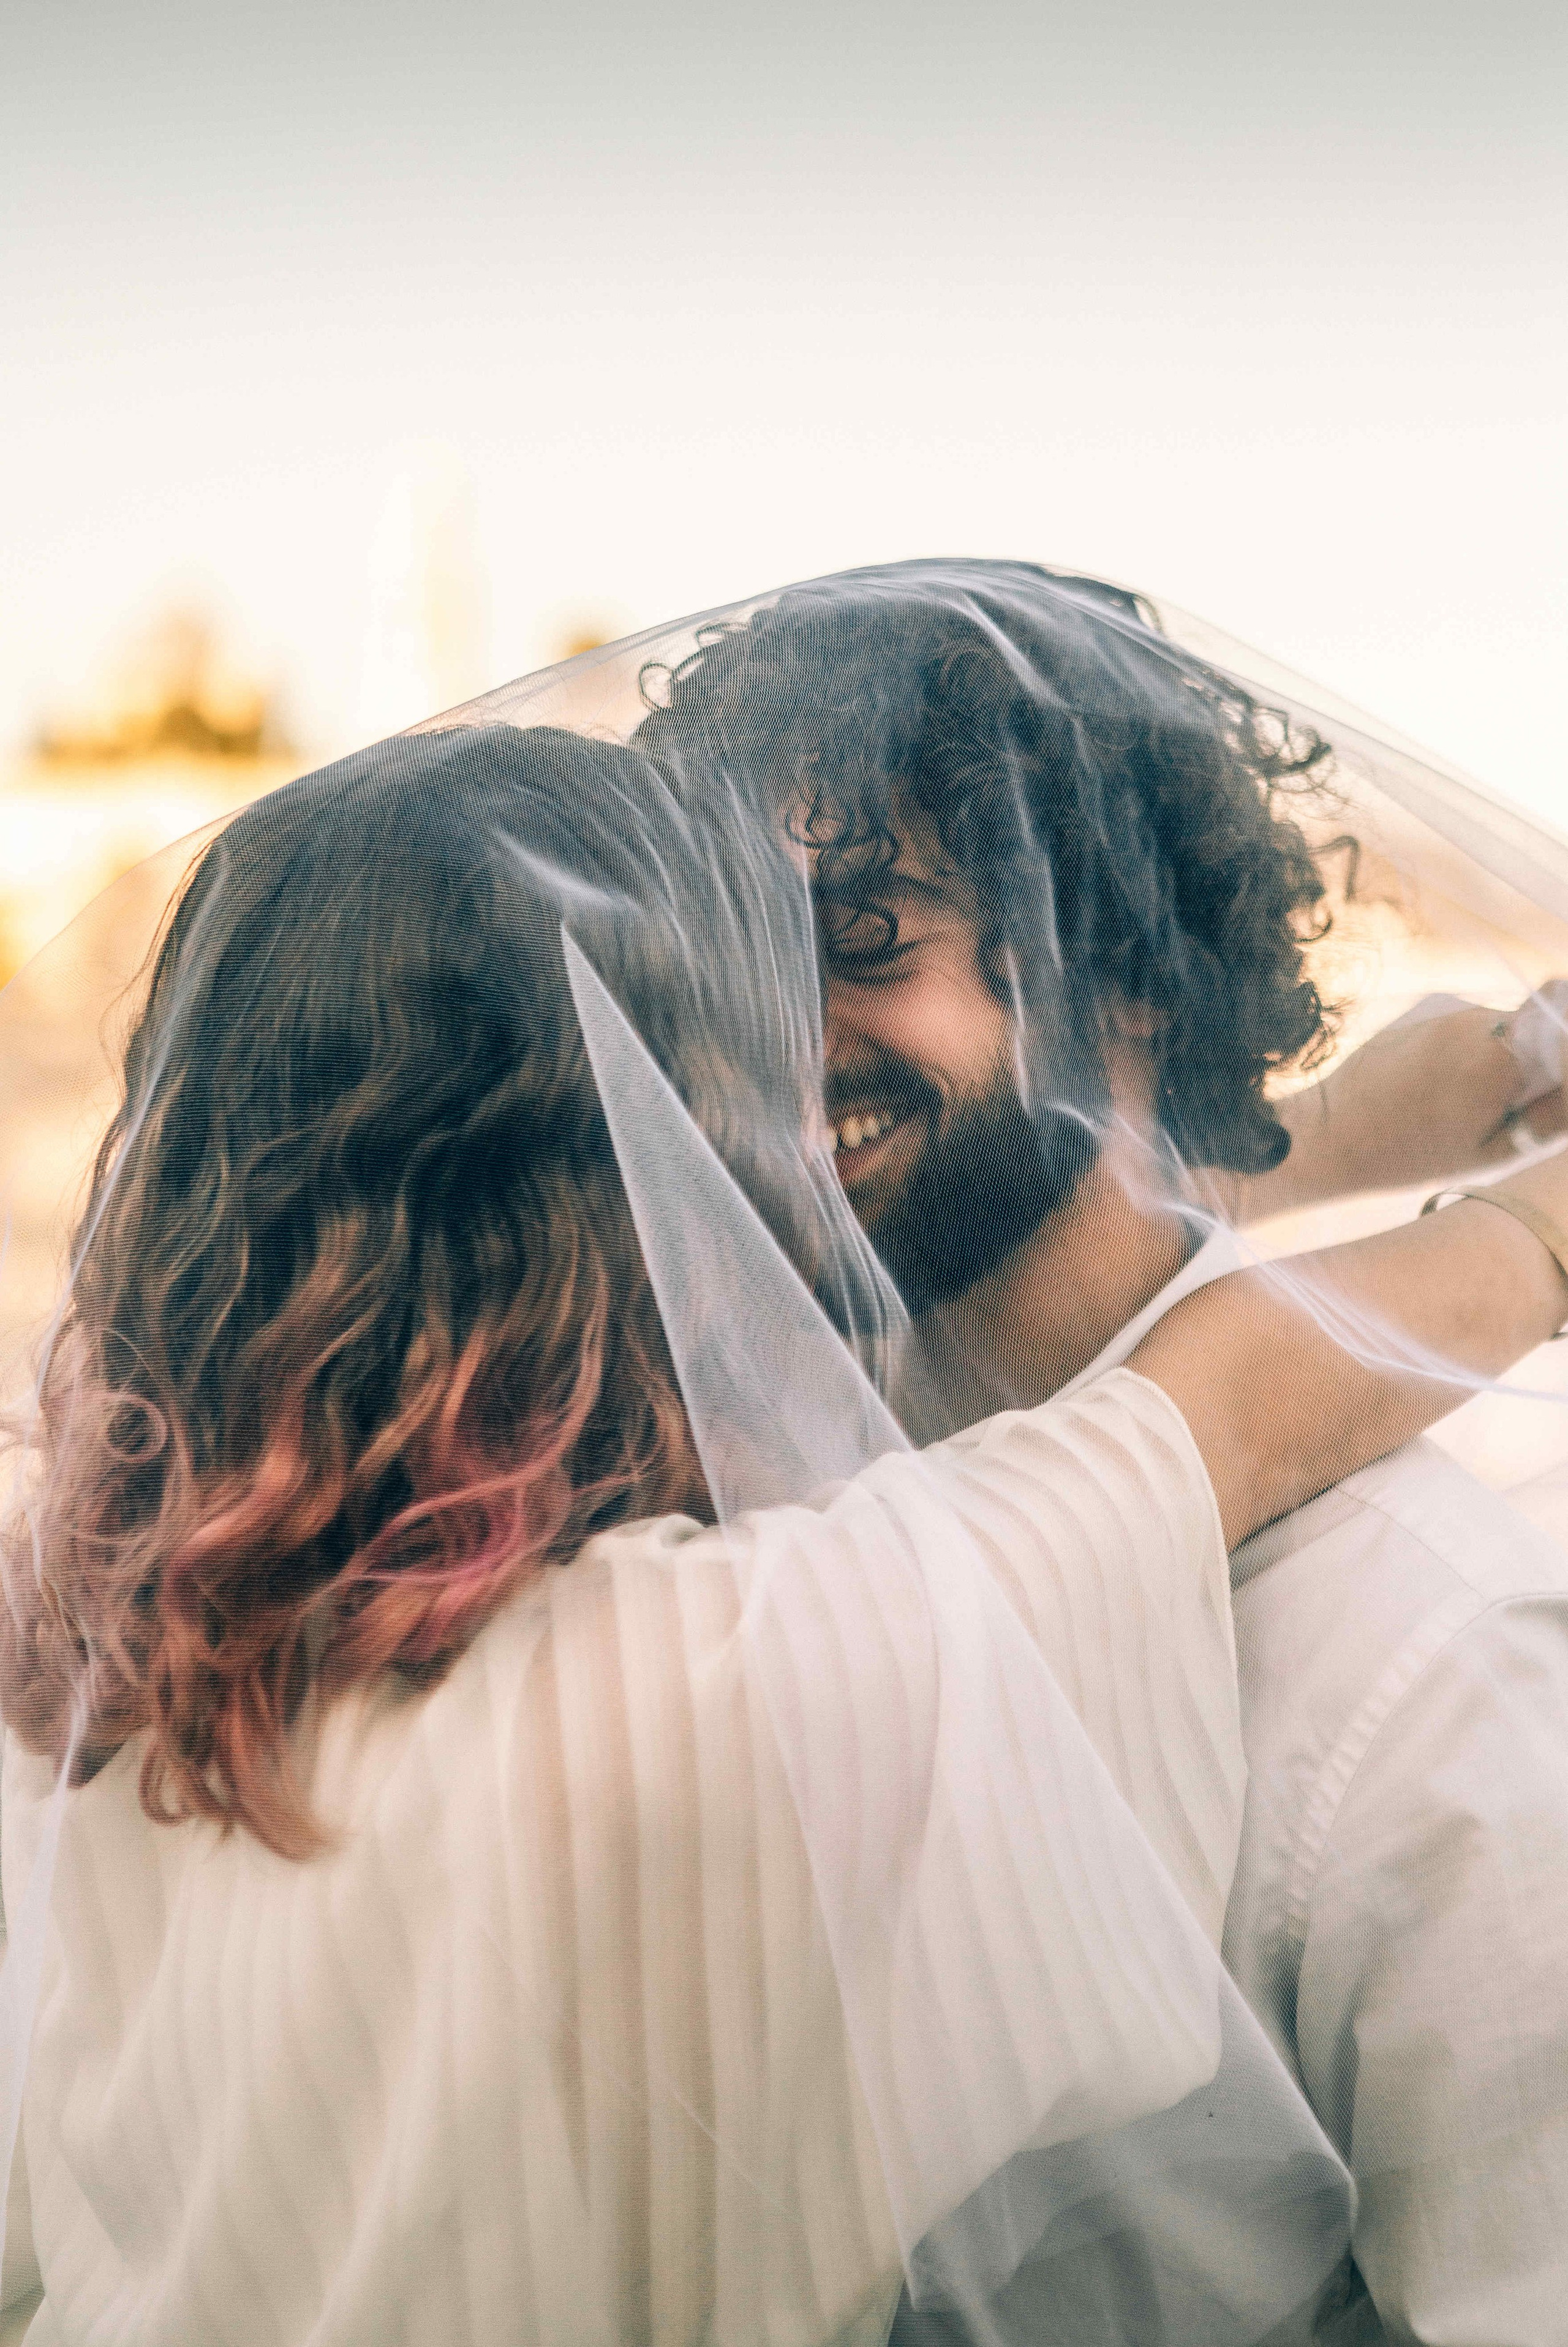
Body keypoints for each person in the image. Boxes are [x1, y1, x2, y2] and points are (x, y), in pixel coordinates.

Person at [1, 700, 1564, 2347]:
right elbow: (1223, 1406)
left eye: (861, 942)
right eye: (724, 1021)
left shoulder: (111, 1661)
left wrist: (1269, 1140)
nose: (789, 1071)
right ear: (625, 1173)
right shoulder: (764, 1657)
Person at [640, 560, 1568, 2343]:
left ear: (1126, 974)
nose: (772, 1045)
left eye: (863, 941)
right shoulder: (715, 1537)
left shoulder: (1438, 1669)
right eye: (728, 964)